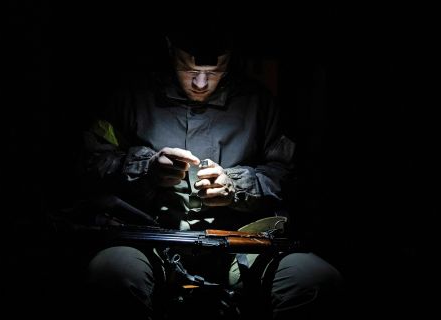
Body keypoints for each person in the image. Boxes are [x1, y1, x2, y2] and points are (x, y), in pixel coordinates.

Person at [75, 27, 344, 319]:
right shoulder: (131, 98)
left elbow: (291, 176)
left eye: (215, 71)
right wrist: (145, 167)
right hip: (151, 241)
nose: (201, 83)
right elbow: (90, 162)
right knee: (113, 275)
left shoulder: (259, 104)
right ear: (169, 49)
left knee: (314, 280)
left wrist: (237, 187)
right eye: (188, 69)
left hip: (242, 244)